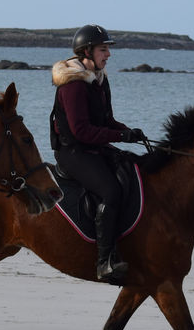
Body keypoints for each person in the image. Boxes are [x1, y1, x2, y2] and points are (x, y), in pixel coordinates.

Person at [49, 24, 147, 283]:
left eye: (107, 49)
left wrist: (130, 132)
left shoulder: (99, 80)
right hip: (72, 153)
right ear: (87, 52)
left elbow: (107, 121)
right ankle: (104, 261)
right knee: (111, 191)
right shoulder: (73, 85)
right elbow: (81, 131)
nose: (109, 55)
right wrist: (118, 136)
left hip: (93, 148)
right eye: (104, 49)